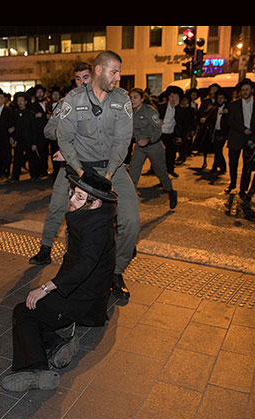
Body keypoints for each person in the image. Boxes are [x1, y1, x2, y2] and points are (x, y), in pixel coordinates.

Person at [2, 170, 118, 392]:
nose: (72, 200)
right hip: (81, 292)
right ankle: (58, 345)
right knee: (35, 310)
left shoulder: (97, 230)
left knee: (24, 311)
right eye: (73, 193)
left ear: (94, 204)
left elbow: (84, 266)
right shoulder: (95, 218)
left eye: (79, 197)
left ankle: (36, 369)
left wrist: (46, 288)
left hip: (83, 300)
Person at [53, 51, 138, 303]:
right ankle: (77, 276)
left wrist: (109, 174)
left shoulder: (121, 99)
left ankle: (116, 272)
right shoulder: (74, 99)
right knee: (78, 228)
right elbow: (64, 139)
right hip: (83, 170)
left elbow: (123, 140)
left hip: (115, 170)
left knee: (130, 223)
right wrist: (80, 173)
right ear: (99, 71)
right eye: (115, 72)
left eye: (119, 72)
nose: (118, 77)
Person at [30, 61, 93, 267]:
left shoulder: (103, 102)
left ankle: (90, 254)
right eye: (78, 78)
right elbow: (48, 130)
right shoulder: (66, 103)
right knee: (57, 206)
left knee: (93, 211)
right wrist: (62, 134)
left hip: (93, 166)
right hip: (67, 168)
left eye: (86, 77)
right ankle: (45, 249)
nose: (82, 82)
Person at [127, 88, 177, 209]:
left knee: (161, 173)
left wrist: (149, 139)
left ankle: (171, 192)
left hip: (154, 146)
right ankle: (129, 200)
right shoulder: (130, 112)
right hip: (139, 147)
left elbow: (159, 129)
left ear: (142, 99)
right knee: (133, 172)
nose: (132, 100)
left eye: (135, 97)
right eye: (131, 97)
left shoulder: (150, 111)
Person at [225, 79, 255, 196]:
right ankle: (232, 183)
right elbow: (230, 121)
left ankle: (243, 188)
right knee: (233, 163)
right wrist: (243, 129)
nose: (245, 92)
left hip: (250, 139)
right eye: (243, 90)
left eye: (247, 90)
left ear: (252, 90)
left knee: (247, 165)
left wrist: (253, 136)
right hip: (236, 137)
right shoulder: (234, 104)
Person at [157, 86, 184, 178]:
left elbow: (181, 122)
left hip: (171, 134)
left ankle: (170, 170)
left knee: (171, 154)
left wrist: (179, 136)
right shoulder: (161, 107)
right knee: (160, 156)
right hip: (160, 134)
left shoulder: (179, 109)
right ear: (168, 97)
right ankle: (162, 175)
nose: (173, 99)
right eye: (172, 96)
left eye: (176, 97)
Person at [11, 92, 38, 181]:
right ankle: (15, 176)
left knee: (31, 158)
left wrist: (34, 143)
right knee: (17, 158)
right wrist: (13, 137)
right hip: (19, 140)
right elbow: (14, 127)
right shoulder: (14, 113)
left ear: (26, 102)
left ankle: (34, 175)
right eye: (18, 100)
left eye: (22, 100)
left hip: (29, 139)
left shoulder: (30, 113)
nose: (20, 102)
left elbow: (34, 128)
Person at [29, 84, 50, 177]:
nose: (40, 94)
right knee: (39, 152)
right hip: (38, 133)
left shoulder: (48, 104)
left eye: (41, 92)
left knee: (46, 152)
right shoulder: (32, 106)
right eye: (38, 93)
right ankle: (40, 171)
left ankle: (44, 169)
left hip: (48, 132)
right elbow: (31, 117)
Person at [210, 90, 230, 174]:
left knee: (218, 150)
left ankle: (216, 167)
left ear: (225, 99)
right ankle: (222, 167)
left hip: (223, 132)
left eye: (221, 98)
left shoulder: (228, 108)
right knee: (217, 150)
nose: (220, 100)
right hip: (216, 131)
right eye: (218, 98)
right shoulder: (215, 108)